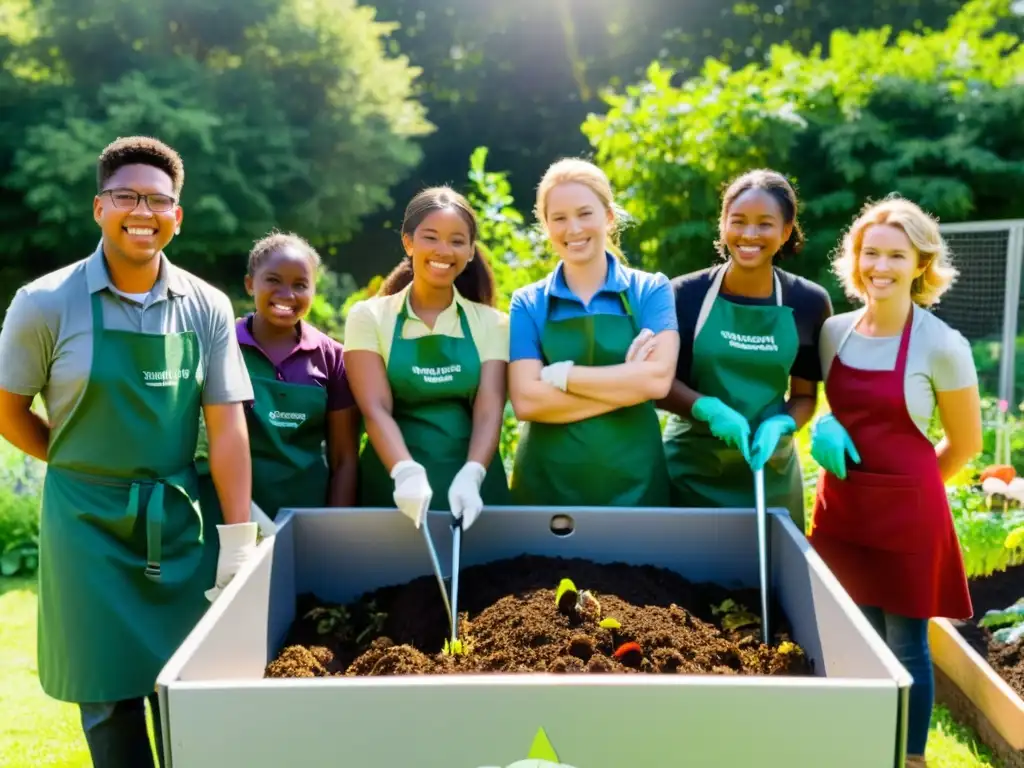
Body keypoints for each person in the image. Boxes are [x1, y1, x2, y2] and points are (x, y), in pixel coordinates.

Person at [0, 136, 256, 767]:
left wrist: (238, 539)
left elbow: (226, 429)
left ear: (177, 215)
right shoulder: (44, 303)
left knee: (187, 688)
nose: (142, 211)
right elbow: (8, 412)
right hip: (85, 526)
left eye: (158, 200)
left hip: (176, 523)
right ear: (99, 208)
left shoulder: (207, 305)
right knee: (109, 697)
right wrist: (76, 468)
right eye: (126, 197)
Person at [807, 197, 981, 768]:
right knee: (846, 633)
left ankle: (908, 757)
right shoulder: (834, 332)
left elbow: (966, 445)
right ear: (856, 260)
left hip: (907, 516)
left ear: (920, 264)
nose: (880, 266)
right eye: (870, 253)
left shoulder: (942, 345)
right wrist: (825, 425)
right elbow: (826, 405)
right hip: (842, 511)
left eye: (896, 256)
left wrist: (913, 493)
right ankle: (853, 746)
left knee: (906, 643)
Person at [658, 169, 832, 529]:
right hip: (692, 469)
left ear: (785, 232)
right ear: (722, 224)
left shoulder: (809, 302)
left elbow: (804, 396)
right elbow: (658, 385)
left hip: (769, 470)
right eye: (738, 221)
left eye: (765, 224)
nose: (749, 235)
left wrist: (782, 423)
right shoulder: (683, 295)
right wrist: (706, 408)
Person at [507, 158, 679, 506]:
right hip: (545, 487)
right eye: (558, 218)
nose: (573, 229)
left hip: (637, 483)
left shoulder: (650, 291)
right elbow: (526, 401)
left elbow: (658, 382)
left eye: (585, 213)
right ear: (545, 225)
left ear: (609, 216)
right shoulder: (528, 303)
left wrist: (561, 376)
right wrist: (629, 382)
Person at [343, 187, 510, 529]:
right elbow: (375, 408)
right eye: (430, 237)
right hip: (391, 490)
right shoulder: (370, 317)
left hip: (475, 492)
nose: (443, 251)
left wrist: (474, 474)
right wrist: (404, 471)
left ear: (470, 251)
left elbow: (489, 409)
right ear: (408, 243)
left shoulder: (493, 323)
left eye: (457, 241)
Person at [196, 231, 360, 523]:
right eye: (273, 280)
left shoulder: (333, 358)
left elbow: (344, 458)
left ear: (314, 291)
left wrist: (335, 530)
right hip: (228, 518)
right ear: (250, 284)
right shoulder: (220, 346)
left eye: (300, 285)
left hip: (308, 522)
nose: (287, 294)